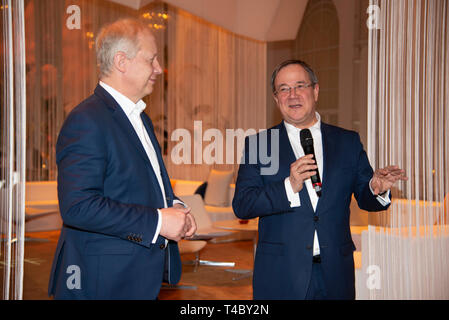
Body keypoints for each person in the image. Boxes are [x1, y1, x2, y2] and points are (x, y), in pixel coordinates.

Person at [232, 60, 407, 300]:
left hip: (335, 273)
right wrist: (288, 186)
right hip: (281, 276)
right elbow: (243, 204)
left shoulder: (347, 142)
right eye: (283, 88)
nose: (292, 94)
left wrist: (376, 188)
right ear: (276, 99)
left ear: (315, 91)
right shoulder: (261, 144)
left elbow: (366, 198)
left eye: (300, 85)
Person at [48, 18, 196, 300]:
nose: (158, 69)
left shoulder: (141, 119)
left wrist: (175, 208)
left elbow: (140, 187)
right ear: (121, 61)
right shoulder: (87, 119)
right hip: (101, 282)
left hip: (134, 277)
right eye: (151, 59)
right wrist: (158, 222)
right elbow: (77, 206)